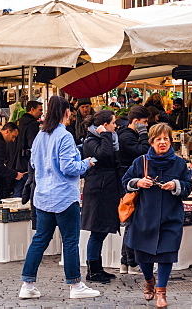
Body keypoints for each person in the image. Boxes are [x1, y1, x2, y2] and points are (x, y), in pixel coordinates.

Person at [18, 96, 100, 300]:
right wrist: (86, 163)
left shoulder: (40, 135)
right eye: (70, 112)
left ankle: (27, 284)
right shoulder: (64, 136)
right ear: (65, 112)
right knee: (70, 240)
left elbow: (34, 165)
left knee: (39, 240)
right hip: (64, 196)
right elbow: (69, 167)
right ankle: (75, 285)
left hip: (43, 196)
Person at [122, 123, 192, 306]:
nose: (162, 142)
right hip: (144, 216)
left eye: (166, 139)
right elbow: (125, 182)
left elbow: (188, 187)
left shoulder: (179, 163)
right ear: (152, 142)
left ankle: (161, 292)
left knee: (166, 255)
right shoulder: (141, 161)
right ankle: (149, 280)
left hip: (170, 216)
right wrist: (138, 182)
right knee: (142, 257)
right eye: (158, 139)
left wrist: (176, 185)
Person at [81, 110, 121, 284]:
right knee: (97, 231)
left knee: (102, 230)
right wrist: (105, 136)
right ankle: (93, 269)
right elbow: (104, 154)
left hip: (106, 188)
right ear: (104, 126)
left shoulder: (103, 139)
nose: (116, 126)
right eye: (113, 123)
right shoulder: (91, 141)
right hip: (99, 190)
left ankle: (98, 267)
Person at [117, 105, 151, 275]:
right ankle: (130, 262)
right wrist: (144, 134)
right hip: (130, 182)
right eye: (144, 122)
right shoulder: (127, 136)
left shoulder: (127, 135)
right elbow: (143, 152)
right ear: (136, 122)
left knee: (132, 222)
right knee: (132, 223)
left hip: (131, 181)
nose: (146, 125)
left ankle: (126, 262)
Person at [12, 101, 42, 199]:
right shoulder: (32, 124)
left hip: (16, 161)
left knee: (18, 190)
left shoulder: (18, 121)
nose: (41, 113)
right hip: (26, 162)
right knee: (26, 189)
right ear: (32, 110)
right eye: (40, 110)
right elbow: (33, 145)